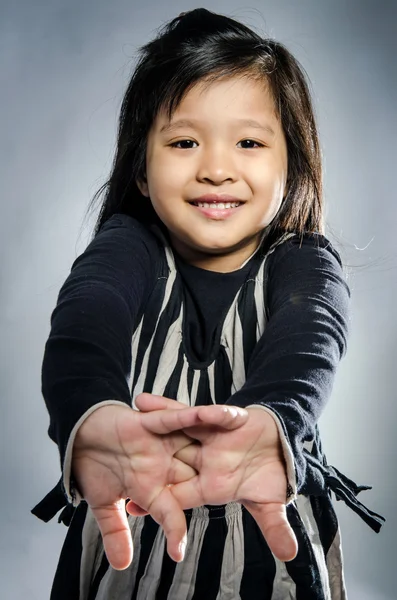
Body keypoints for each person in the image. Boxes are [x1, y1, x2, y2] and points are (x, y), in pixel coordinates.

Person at [32, 8, 385, 600]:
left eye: (249, 142)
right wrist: (89, 414)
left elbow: (313, 333)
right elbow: (85, 317)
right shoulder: (128, 246)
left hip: (269, 525)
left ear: (291, 165)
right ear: (141, 169)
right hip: (138, 514)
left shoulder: (302, 260)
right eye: (184, 141)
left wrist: (274, 422)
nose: (217, 168)